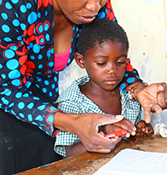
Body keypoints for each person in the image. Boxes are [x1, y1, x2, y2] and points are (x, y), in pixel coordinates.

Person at [0, 0, 167, 174]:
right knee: (13, 162)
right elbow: (8, 89)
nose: (95, 6)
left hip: (42, 79)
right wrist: (72, 122)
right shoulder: (16, 0)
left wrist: (138, 88)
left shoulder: (96, 0)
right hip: (1, 88)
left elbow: (112, 51)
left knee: (49, 157)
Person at [54, 18, 154, 157]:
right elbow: (70, 153)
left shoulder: (129, 95)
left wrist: (139, 129)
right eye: (101, 63)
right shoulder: (71, 103)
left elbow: (129, 139)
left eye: (120, 62)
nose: (112, 70)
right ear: (81, 61)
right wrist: (105, 133)